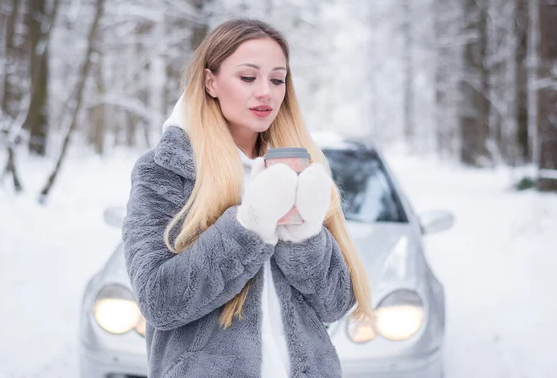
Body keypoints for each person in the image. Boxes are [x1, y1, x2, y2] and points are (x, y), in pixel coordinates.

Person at [122, 19, 373, 378]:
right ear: (211, 82)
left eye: (276, 79)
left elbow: (335, 304)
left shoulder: (301, 167)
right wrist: (249, 226)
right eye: (247, 77)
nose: (265, 93)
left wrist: (303, 236)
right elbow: (159, 301)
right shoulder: (165, 171)